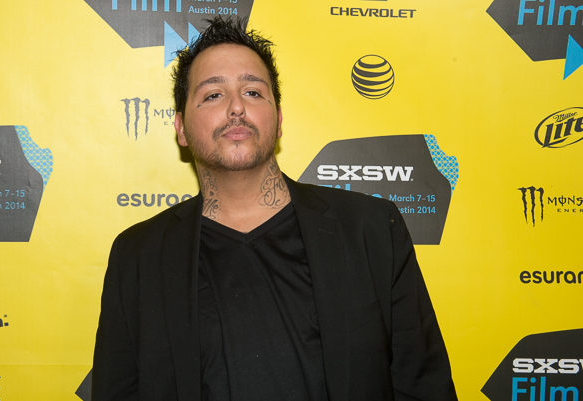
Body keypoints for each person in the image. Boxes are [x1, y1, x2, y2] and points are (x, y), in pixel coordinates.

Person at [92, 16, 457, 401]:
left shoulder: (372, 231)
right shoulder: (139, 256)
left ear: (279, 119)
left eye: (252, 92)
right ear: (180, 128)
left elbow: (424, 387)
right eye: (213, 95)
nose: (236, 107)